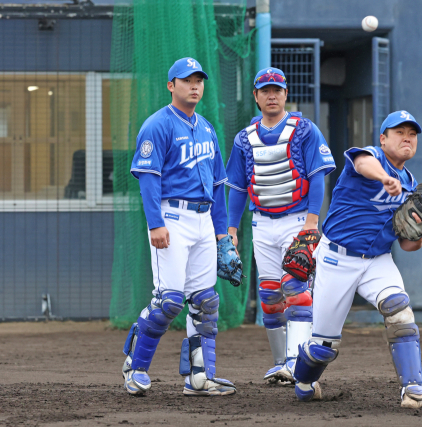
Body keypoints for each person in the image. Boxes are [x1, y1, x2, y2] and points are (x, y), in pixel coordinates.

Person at [292, 111, 422, 409]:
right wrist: (384, 177)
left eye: (412, 133)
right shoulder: (370, 157)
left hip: (377, 260)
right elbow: (364, 163)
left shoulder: (410, 183)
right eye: (399, 132)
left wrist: (418, 231)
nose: (407, 137)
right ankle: (303, 379)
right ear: (383, 138)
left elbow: (407, 245)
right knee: (323, 349)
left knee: (399, 312)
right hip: (337, 259)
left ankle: (412, 388)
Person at [121, 57, 235, 396]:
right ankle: (135, 366)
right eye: (187, 80)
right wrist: (155, 223)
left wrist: (223, 234)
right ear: (172, 85)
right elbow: (148, 179)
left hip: (203, 220)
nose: (195, 85)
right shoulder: (157, 125)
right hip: (171, 217)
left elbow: (218, 186)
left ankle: (200, 377)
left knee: (205, 302)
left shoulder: (207, 127)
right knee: (168, 301)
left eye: (199, 80)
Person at [225, 67, 336, 383]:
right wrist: (232, 230)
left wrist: (312, 223)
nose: (272, 95)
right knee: (270, 295)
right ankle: (280, 363)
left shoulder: (304, 129)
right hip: (261, 224)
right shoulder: (244, 138)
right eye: (265, 90)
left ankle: (296, 361)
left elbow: (317, 177)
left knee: (295, 289)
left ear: (286, 94)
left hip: (297, 220)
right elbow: (237, 187)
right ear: (256, 97)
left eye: (277, 90)